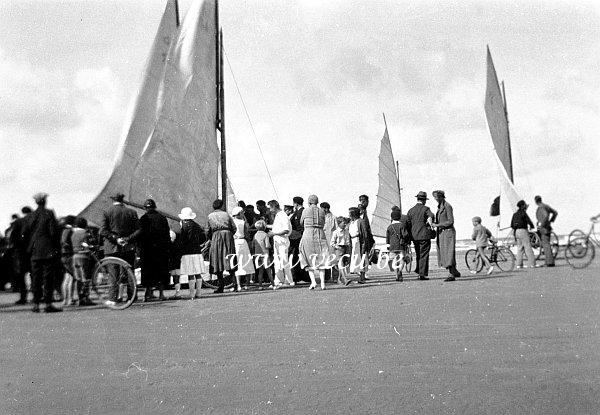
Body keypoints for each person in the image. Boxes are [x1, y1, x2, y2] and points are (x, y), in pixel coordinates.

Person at [22, 193, 61, 312]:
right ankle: (48, 304)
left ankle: (36, 304)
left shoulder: (30, 216)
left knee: (35, 278)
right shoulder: (49, 213)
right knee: (48, 278)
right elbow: (54, 232)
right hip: (48, 249)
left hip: (34, 250)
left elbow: (24, 234)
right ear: (44, 201)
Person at [100, 192, 140, 306]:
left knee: (113, 273)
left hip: (112, 247)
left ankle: (113, 298)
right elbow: (138, 230)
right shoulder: (132, 212)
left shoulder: (107, 212)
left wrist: (116, 239)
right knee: (129, 272)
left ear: (113, 199)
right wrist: (127, 239)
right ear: (123, 200)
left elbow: (103, 231)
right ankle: (132, 297)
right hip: (128, 247)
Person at [138, 199, 171, 301]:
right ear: (154, 207)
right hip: (161, 250)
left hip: (147, 250)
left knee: (147, 273)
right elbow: (167, 235)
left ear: (145, 208)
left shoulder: (143, 218)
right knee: (161, 273)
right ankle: (161, 294)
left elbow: (140, 235)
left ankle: (147, 294)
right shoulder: (162, 218)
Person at [299, 195, 330, 290]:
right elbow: (323, 222)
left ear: (309, 202)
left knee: (307, 257)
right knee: (322, 257)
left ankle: (313, 282)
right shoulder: (321, 211)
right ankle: (322, 283)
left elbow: (301, 222)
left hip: (308, 233)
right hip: (320, 233)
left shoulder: (305, 210)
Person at [177, 207, 207, 300]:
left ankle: (192, 294)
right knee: (197, 273)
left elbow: (182, 239)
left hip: (187, 252)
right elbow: (203, 236)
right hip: (197, 251)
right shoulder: (196, 225)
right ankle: (199, 292)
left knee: (190, 274)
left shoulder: (184, 226)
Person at [207, 199, 237, 293]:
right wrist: (229, 234)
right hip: (228, 236)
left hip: (216, 236)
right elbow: (234, 228)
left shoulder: (210, 216)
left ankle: (221, 286)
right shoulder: (226, 214)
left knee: (217, 259)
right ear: (221, 206)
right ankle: (235, 284)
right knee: (230, 258)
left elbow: (207, 230)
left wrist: (211, 238)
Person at [432, 190, 461, 281]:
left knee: (449, 253)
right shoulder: (440, 206)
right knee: (445, 253)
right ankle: (454, 271)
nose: (435, 199)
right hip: (442, 233)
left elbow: (450, 221)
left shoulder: (447, 206)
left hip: (448, 232)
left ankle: (451, 274)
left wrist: (437, 225)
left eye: (436, 197)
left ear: (441, 197)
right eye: (435, 197)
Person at [406, 191, 435, 281]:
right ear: (424, 200)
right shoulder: (426, 209)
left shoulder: (411, 210)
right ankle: (422, 274)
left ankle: (419, 271)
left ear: (417, 199)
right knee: (424, 254)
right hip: (424, 235)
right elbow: (430, 217)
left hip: (414, 236)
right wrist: (431, 227)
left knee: (418, 254)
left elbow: (408, 224)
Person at [267, 200, 294, 287]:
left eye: (270, 208)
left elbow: (286, 230)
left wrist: (273, 233)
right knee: (277, 262)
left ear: (274, 207)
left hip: (282, 241)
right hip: (277, 241)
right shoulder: (278, 216)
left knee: (284, 260)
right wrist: (265, 225)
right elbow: (276, 227)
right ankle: (279, 281)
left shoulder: (282, 215)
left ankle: (289, 281)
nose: (270, 210)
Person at [70, 217, 95, 306]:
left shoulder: (73, 234)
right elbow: (91, 243)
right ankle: (85, 298)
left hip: (75, 256)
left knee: (78, 279)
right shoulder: (86, 233)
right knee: (86, 278)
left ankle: (80, 299)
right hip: (84, 256)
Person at [10, 206, 32, 304]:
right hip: (32, 252)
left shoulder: (18, 222)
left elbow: (12, 238)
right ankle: (37, 296)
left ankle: (23, 297)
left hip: (20, 253)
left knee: (21, 276)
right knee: (34, 275)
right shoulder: (33, 221)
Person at [232, 206, 255, 291]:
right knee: (246, 261)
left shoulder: (232, 222)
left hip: (235, 242)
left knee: (237, 262)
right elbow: (246, 233)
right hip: (243, 242)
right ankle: (247, 283)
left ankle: (238, 284)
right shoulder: (243, 222)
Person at [386, 209, 411, 282]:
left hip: (392, 246)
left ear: (391, 218)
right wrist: (406, 241)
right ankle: (400, 271)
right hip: (401, 245)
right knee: (402, 259)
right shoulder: (402, 225)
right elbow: (405, 235)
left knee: (395, 260)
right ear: (400, 217)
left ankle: (397, 275)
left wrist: (388, 245)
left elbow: (387, 238)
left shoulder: (390, 227)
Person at [511, 200, 536, 269]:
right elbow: (529, 221)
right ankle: (532, 263)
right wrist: (532, 226)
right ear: (522, 206)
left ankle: (519, 264)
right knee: (528, 247)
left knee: (519, 248)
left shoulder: (515, 214)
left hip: (516, 232)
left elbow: (512, 225)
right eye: (524, 204)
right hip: (523, 231)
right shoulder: (523, 213)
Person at [347, 207, 370, 284]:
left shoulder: (361, 221)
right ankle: (360, 275)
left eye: (350, 213)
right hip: (353, 242)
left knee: (361, 258)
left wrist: (364, 244)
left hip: (359, 241)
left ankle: (362, 277)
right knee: (355, 259)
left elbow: (365, 234)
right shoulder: (351, 223)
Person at [289, 196, 309, 283]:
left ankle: (297, 276)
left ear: (295, 204)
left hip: (298, 237)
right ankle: (300, 275)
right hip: (298, 236)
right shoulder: (298, 212)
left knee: (296, 256)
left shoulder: (301, 212)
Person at [534, 195, 557, 267]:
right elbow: (555, 213)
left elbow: (545, 215)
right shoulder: (546, 206)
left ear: (536, 201)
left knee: (546, 244)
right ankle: (548, 261)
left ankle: (550, 262)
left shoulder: (541, 207)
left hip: (544, 228)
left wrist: (541, 224)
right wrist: (551, 221)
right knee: (546, 244)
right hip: (548, 227)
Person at [253, 220, 275, 290]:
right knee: (268, 270)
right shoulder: (265, 235)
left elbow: (253, 245)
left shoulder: (255, 235)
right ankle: (273, 284)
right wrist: (271, 246)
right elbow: (267, 245)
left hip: (258, 255)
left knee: (260, 271)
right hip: (265, 254)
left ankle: (260, 285)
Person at [59, 215, 76, 306]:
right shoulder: (69, 230)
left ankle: (65, 299)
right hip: (68, 255)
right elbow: (65, 242)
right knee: (71, 278)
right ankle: (69, 299)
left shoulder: (63, 230)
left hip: (64, 256)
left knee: (67, 278)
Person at [330, 216, 350, 285]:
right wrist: (337, 247)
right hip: (338, 249)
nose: (345, 224)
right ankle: (345, 279)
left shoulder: (346, 231)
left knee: (343, 264)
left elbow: (347, 241)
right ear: (339, 223)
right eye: (343, 223)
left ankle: (339, 279)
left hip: (345, 248)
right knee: (340, 264)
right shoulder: (336, 232)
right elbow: (332, 243)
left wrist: (348, 248)